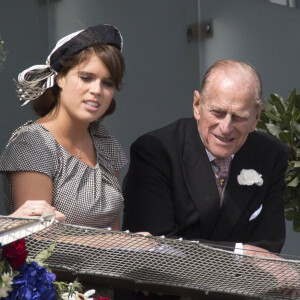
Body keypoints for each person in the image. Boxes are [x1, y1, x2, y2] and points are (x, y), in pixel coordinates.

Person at [118, 60, 298, 299]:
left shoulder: (271, 155)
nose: (225, 127)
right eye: (218, 112)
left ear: (256, 117)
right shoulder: (156, 151)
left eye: (238, 117)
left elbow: (268, 248)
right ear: (197, 104)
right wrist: (239, 253)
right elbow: (157, 250)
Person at [0, 24, 126, 231]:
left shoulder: (105, 141)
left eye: (108, 83)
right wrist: (117, 245)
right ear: (60, 78)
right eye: (86, 78)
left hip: (106, 263)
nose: (97, 90)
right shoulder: (33, 143)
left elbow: (113, 227)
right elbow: (36, 238)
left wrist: (135, 246)